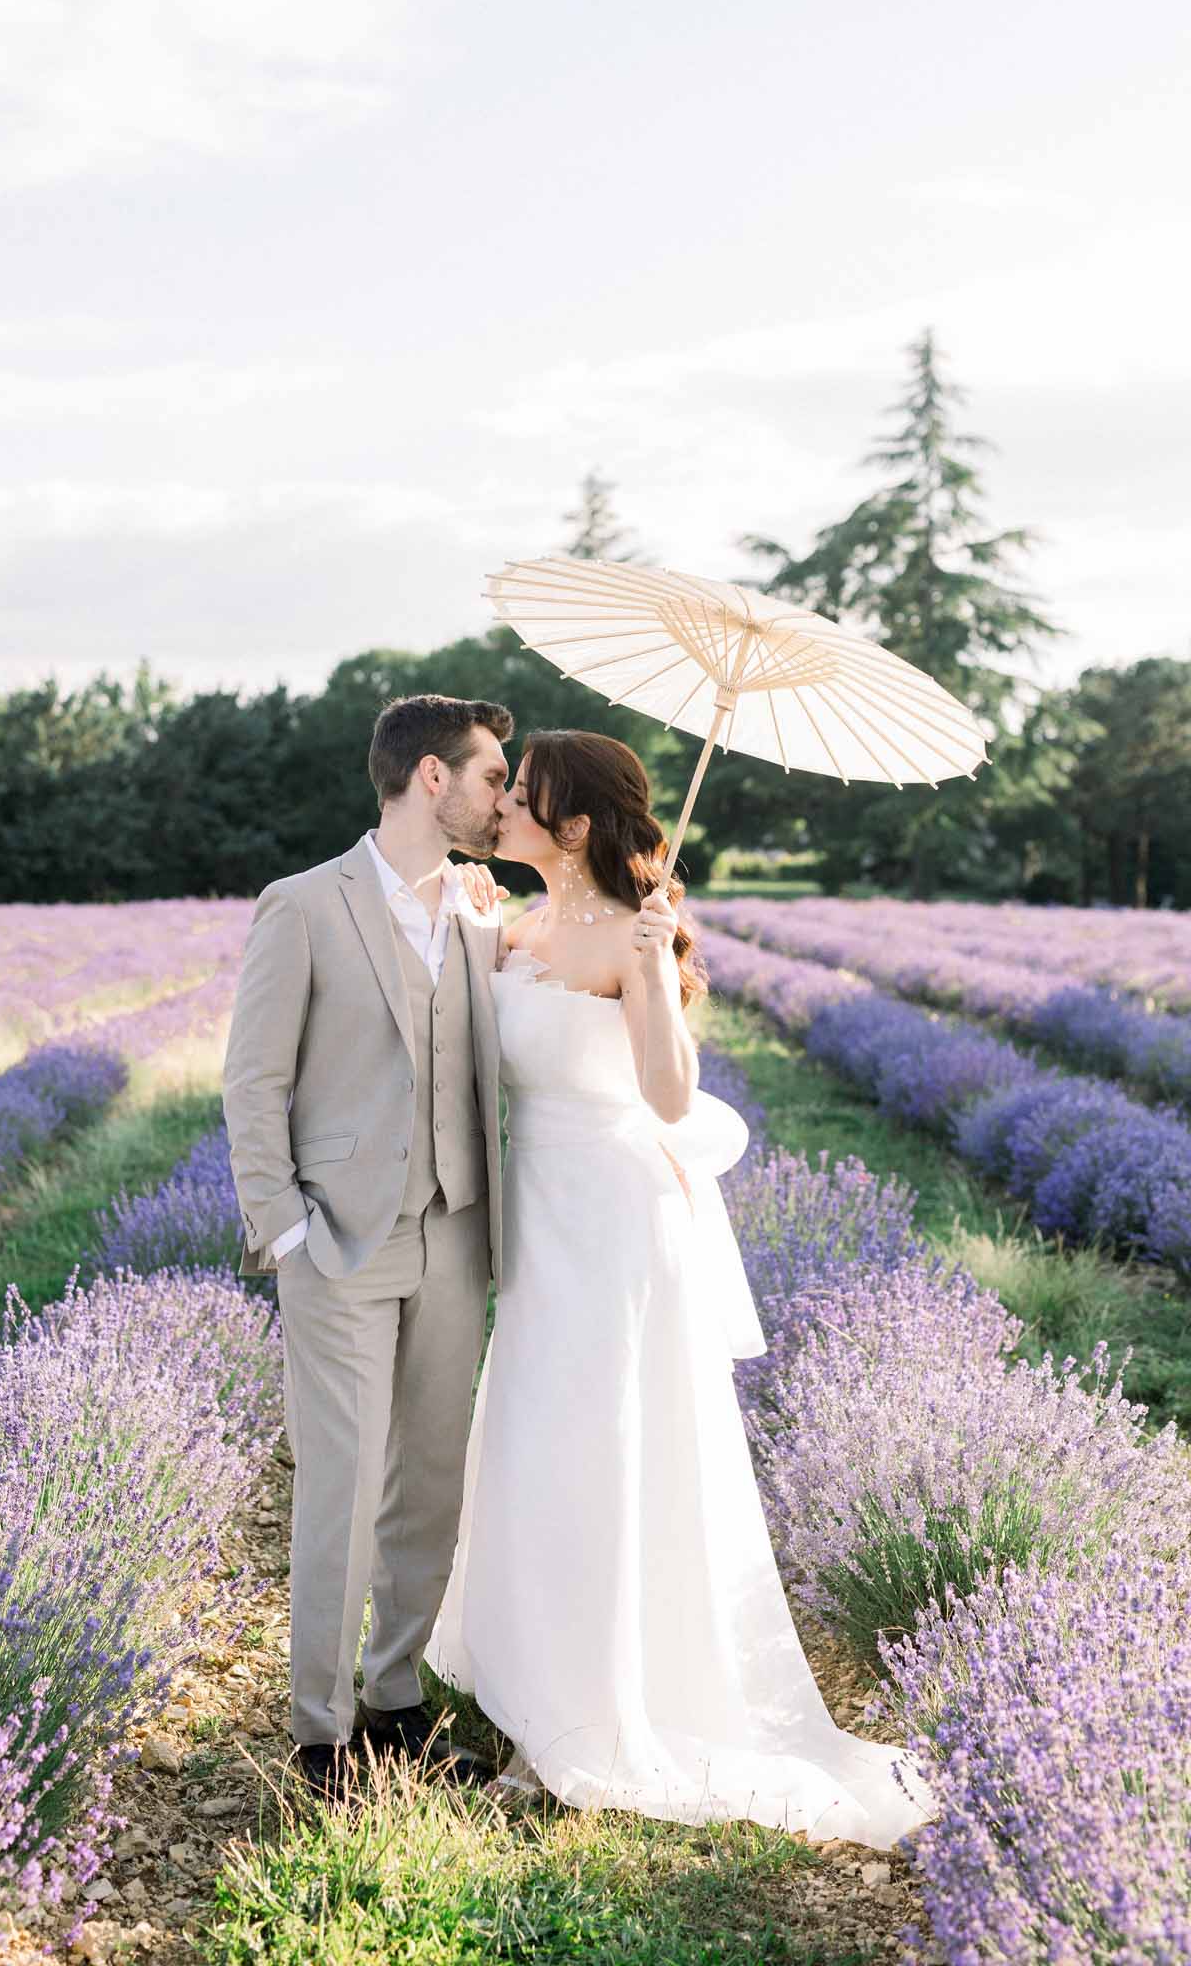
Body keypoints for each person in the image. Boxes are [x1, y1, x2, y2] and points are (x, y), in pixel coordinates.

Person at [425, 729, 932, 1848]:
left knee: (605, 1440)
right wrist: (457, 910)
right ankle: (534, 1692)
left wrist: (653, 966)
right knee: (533, 1437)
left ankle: (600, 1709)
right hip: (538, 1218)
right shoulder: (514, 926)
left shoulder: (629, 941)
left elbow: (666, 1094)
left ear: (573, 825)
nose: (500, 806)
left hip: (616, 1218)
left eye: (522, 797)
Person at [222, 693, 512, 1799]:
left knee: (430, 1478)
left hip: (455, 1227)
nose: (505, 795)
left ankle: (395, 1702)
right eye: (492, 774)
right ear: (429, 777)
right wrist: (285, 1229)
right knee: (341, 1483)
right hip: (337, 1239)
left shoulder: (483, 912)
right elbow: (254, 1084)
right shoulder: (302, 905)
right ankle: (319, 1727)